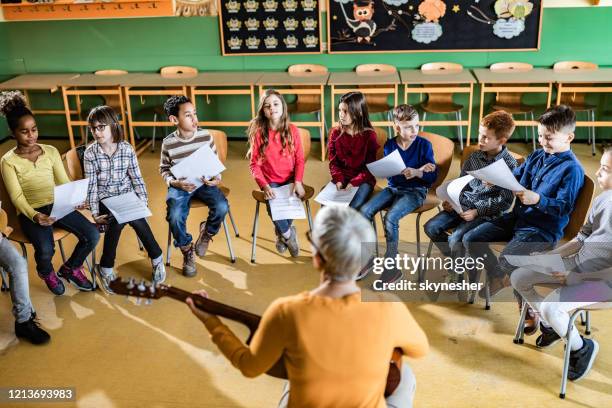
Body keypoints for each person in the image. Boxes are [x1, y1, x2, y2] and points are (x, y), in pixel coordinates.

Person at [186, 206, 429, 407]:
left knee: (293, 376)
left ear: (316, 257)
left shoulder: (287, 310)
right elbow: (419, 350)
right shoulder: (387, 306)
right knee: (404, 375)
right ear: (363, 260)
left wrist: (212, 322)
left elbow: (249, 366)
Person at [463, 105, 584, 333]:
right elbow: (514, 177)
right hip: (518, 218)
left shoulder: (572, 169)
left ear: (569, 137)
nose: (542, 141)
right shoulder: (538, 155)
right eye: (539, 136)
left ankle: (529, 308)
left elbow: (564, 207)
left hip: (541, 230)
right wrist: (495, 179)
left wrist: (537, 198)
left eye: (548, 138)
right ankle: (498, 276)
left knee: (509, 259)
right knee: (471, 238)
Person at [511, 145, 612, 382]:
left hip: (603, 282)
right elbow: (582, 238)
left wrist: (579, 278)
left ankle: (580, 348)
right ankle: (551, 326)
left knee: (550, 307)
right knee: (519, 277)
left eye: (605, 170)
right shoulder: (602, 200)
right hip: (578, 264)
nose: (598, 173)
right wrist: (553, 256)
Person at [0, 91, 98, 296]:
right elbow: (16, 197)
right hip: (31, 211)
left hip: (57, 204)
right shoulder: (8, 161)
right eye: (24, 131)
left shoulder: (50, 151)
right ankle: (46, 272)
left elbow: (63, 183)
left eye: (34, 129)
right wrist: (35, 215)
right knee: (46, 249)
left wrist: (76, 200)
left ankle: (71, 267)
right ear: (12, 133)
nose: (31, 135)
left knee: (92, 235)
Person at [424, 111, 518, 282]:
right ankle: (460, 263)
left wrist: (476, 211)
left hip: (484, 214)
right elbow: (460, 184)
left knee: (455, 238)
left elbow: (505, 202)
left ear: (502, 141)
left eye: (486, 138)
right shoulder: (474, 156)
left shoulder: (509, 165)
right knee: (431, 227)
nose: (480, 140)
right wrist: (451, 200)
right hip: (461, 206)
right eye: (480, 135)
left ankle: (461, 270)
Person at [84, 105, 165, 291]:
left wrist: (141, 203)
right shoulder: (90, 154)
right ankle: (155, 256)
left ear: (113, 126)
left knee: (135, 216)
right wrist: (95, 213)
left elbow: (137, 178)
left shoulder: (126, 149)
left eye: (101, 127)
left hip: (126, 195)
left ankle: (107, 266)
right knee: (117, 220)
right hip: (105, 199)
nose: (96, 132)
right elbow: (91, 187)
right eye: (93, 128)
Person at [361, 105, 436, 283]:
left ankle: (392, 268)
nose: (414, 130)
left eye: (416, 126)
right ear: (397, 127)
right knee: (364, 212)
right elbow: (391, 173)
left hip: (416, 191)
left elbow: (432, 177)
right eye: (409, 127)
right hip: (394, 188)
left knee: (391, 218)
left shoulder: (424, 145)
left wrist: (418, 173)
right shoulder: (390, 145)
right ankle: (369, 256)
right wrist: (389, 171)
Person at [160, 95, 229, 277]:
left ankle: (206, 233)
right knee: (174, 215)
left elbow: (214, 167)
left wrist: (216, 178)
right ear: (174, 119)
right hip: (180, 185)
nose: (195, 119)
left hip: (204, 183)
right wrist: (174, 183)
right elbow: (164, 170)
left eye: (195, 114)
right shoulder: (168, 143)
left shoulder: (205, 136)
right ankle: (186, 249)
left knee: (222, 206)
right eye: (188, 115)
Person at [248, 89, 305, 257]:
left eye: (275, 104)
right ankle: (288, 235)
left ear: (283, 106)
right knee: (273, 206)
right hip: (270, 181)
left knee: (290, 204)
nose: (271, 108)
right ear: (263, 111)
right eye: (267, 106)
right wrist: (264, 185)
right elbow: (254, 165)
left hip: (291, 179)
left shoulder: (293, 130)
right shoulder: (258, 133)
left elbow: (300, 159)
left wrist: (299, 181)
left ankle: (281, 234)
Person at [328, 91, 379, 210]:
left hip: (363, 180)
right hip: (342, 178)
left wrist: (353, 183)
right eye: (340, 110)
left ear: (358, 112)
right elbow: (333, 163)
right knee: (327, 207)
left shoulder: (369, 135)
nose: (341, 115)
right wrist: (339, 181)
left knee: (351, 207)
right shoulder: (335, 133)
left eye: (345, 111)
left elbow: (369, 169)